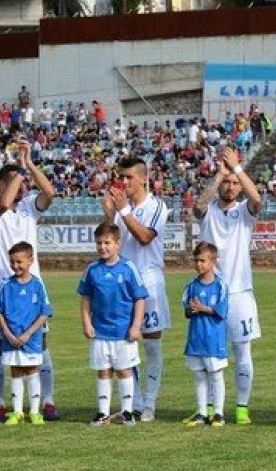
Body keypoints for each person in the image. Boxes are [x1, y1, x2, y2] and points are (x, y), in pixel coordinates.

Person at [0, 141, 58, 421]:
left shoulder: (28, 208)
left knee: (40, 343)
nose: (21, 185)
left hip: (32, 285)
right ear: (0, 183)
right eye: (14, 180)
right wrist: (18, 171)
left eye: (22, 181)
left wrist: (30, 164)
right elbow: (3, 203)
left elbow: (50, 192)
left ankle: (46, 401)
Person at [193, 146, 262, 425]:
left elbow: (256, 198)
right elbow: (197, 207)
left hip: (240, 293)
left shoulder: (245, 212)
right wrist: (219, 176)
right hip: (211, 293)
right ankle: (211, 408)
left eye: (235, 184)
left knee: (242, 352)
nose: (231, 187)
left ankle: (242, 407)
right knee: (209, 355)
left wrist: (236, 169)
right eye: (228, 183)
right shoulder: (208, 210)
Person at [101, 156, 170, 421]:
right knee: (125, 349)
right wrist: (111, 215)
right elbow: (113, 243)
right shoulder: (122, 210)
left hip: (149, 282)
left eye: (130, 177)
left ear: (144, 178)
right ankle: (135, 403)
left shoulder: (156, 206)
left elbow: (144, 237)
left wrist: (122, 212)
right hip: (123, 286)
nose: (125, 182)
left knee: (151, 347)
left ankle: (150, 404)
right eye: (122, 177)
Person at [78, 221, 149, 427]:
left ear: (118, 244)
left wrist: (136, 326)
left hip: (123, 332)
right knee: (103, 371)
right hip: (100, 332)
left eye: (107, 242)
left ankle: (127, 412)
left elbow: (140, 299)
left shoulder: (128, 268)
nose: (103, 247)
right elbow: (85, 298)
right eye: (99, 243)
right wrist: (86, 322)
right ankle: (103, 413)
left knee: (124, 370)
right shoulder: (92, 270)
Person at [0, 242, 53, 426]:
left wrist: (28, 334)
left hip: (31, 339)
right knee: (16, 371)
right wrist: (8, 334)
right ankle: (17, 412)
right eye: (12, 262)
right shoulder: (6, 286)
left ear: (31, 261)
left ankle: (34, 411)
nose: (16, 266)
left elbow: (45, 312)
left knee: (32, 370)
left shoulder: (38, 285)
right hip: (11, 339)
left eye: (19, 262)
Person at [181, 242, 229, 427]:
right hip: (196, 339)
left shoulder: (220, 285)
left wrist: (202, 308)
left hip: (214, 340)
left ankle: (218, 413)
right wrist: (192, 310)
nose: (198, 264)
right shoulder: (191, 286)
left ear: (213, 262)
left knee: (216, 375)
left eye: (202, 260)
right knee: (199, 376)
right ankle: (202, 412)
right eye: (196, 260)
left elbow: (222, 311)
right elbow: (186, 311)